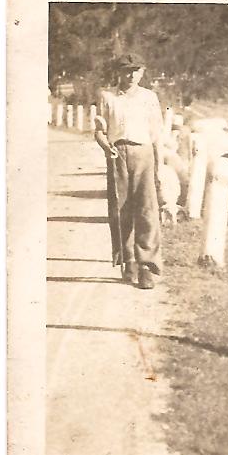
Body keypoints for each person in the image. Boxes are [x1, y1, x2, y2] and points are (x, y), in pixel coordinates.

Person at [93, 53, 165, 290]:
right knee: (120, 209)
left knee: (147, 209)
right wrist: (106, 147)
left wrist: (159, 166)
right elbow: (100, 131)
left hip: (144, 152)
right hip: (117, 153)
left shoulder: (149, 97)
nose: (131, 75)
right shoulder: (107, 96)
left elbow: (156, 134)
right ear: (118, 72)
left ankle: (147, 266)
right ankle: (128, 260)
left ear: (142, 72)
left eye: (136, 70)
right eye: (126, 70)